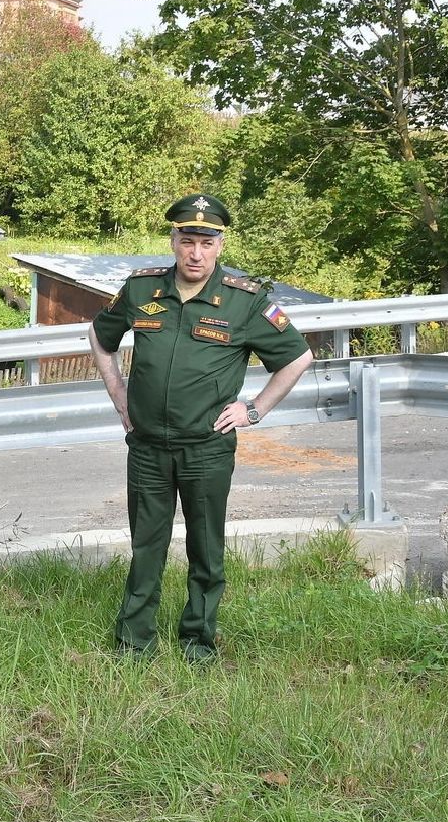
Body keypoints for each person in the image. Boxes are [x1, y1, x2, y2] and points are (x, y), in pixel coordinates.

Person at [89, 193, 314, 663]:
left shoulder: (245, 301)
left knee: (205, 549)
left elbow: (298, 356)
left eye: (206, 243)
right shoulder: (141, 289)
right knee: (145, 546)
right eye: (187, 240)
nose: (196, 253)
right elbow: (100, 335)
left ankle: (197, 641)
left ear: (220, 244)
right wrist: (119, 395)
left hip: (206, 448)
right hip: (148, 446)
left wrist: (255, 410)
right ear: (173, 240)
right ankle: (135, 643)